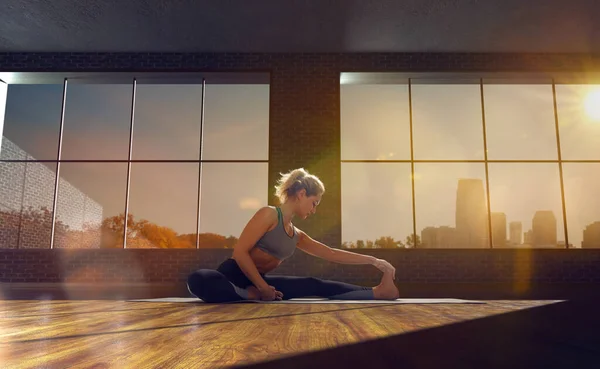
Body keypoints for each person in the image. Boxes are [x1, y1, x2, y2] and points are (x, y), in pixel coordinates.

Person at [187, 168, 399, 303]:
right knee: (200, 279)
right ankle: (249, 296)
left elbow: (331, 253)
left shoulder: (297, 235)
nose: (314, 209)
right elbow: (240, 253)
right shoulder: (269, 214)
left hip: (262, 284)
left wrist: (375, 261)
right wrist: (262, 289)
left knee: (313, 283)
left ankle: (378, 292)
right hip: (232, 278)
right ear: (301, 194)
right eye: (314, 202)